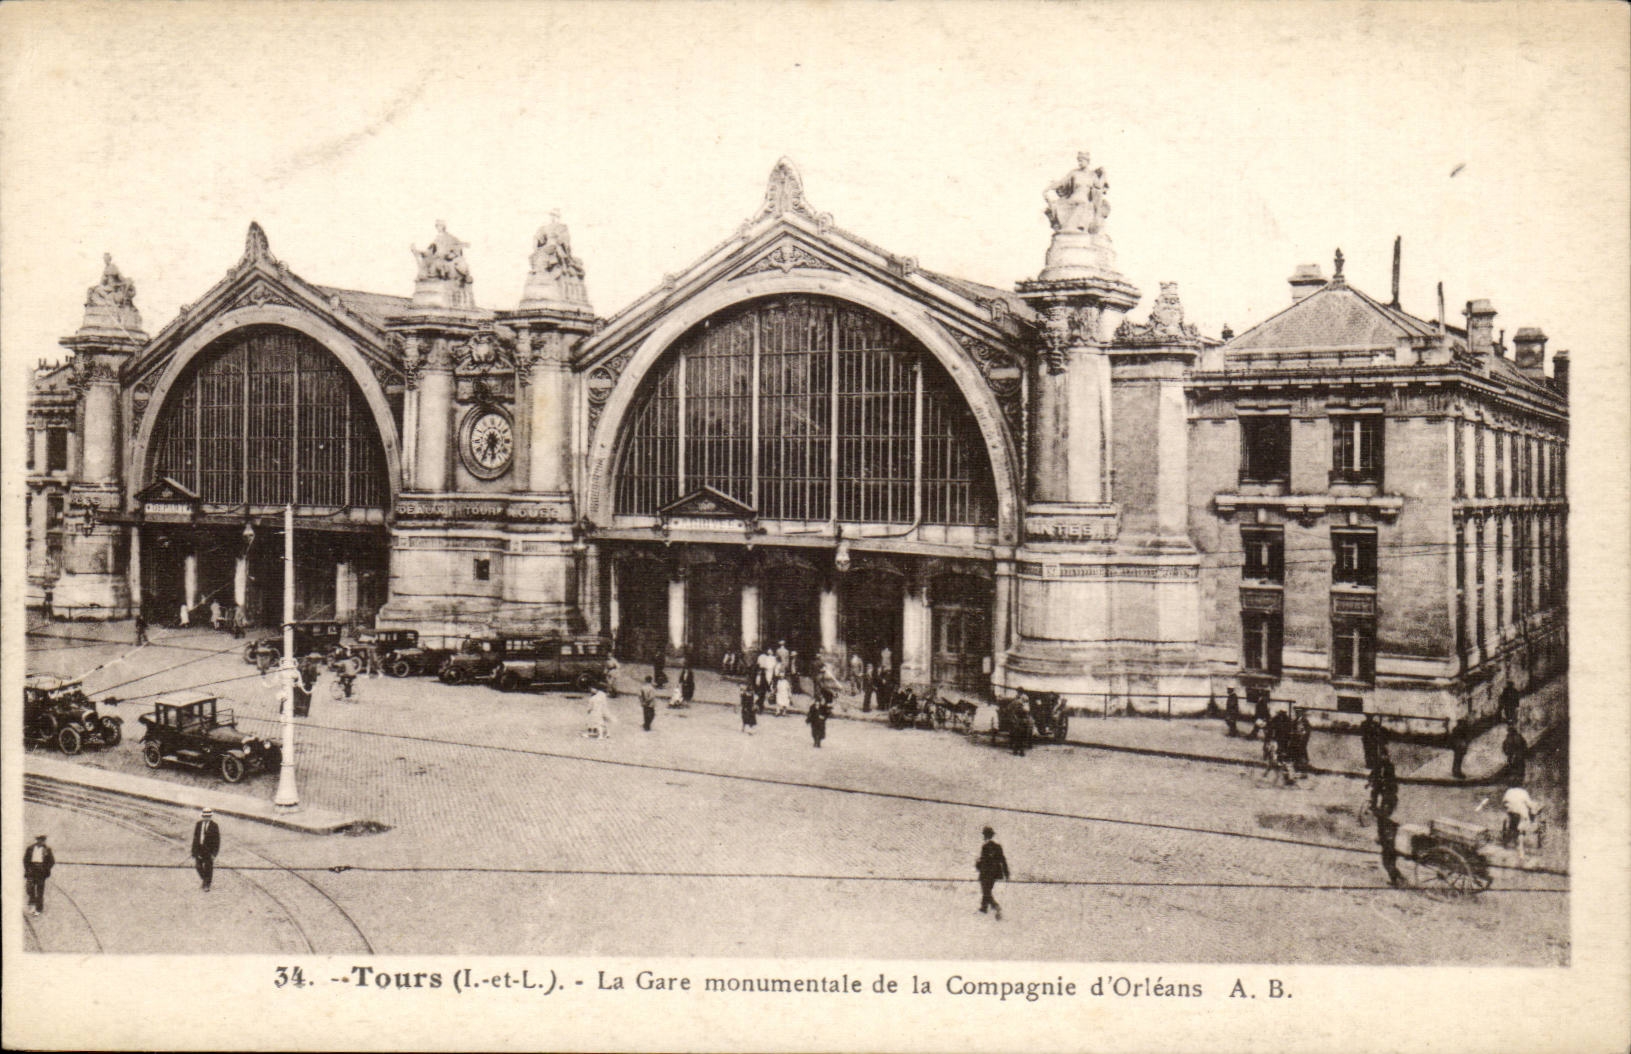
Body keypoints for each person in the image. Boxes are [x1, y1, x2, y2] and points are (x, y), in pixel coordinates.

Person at [1368, 747, 1404, 886]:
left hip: (1388, 834)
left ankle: (1396, 879)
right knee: (1388, 853)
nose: (1384, 757)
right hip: (1385, 805)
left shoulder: (1389, 768)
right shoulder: (1380, 766)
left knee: (1387, 856)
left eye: (1385, 755)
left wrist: (1377, 810)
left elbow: (1389, 785)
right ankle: (1396, 877)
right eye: (1382, 755)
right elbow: (1375, 780)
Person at [1501, 784, 1545, 864]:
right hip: (1521, 813)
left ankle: (1510, 846)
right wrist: (1536, 806)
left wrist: (1510, 806)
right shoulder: (1523, 792)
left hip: (1511, 812)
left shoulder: (1509, 791)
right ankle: (1521, 853)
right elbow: (1529, 804)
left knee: (1514, 828)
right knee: (1521, 830)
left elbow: (1503, 802)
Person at [976, 827, 1010, 920]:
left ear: (986, 835)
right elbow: (1003, 860)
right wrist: (1006, 873)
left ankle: (995, 906)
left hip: (986, 873)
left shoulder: (985, 847)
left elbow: (983, 861)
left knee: (986, 891)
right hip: (995, 873)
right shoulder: (998, 846)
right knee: (987, 890)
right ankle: (984, 907)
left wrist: (977, 865)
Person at [24, 834, 55, 916]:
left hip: (41, 871)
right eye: (39, 840)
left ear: (44, 841)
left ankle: (39, 909)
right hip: (31, 870)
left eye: (42, 840)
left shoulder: (47, 849)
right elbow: (25, 860)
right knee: (29, 888)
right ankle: (32, 904)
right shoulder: (30, 848)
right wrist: (27, 869)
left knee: (40, 891)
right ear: (36, 840)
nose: (41, 842)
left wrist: (45, 869)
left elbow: (51, 861)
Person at [191, 808, 220, 892]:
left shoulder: (214, 826)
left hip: (209, 850)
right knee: (198, 866)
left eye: (208, 816)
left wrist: (214, 854)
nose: (206, 818)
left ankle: (207, 884)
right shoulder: (198, 824)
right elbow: (195, 838)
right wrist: (194, 851)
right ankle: (205, 880)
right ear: (202, 816)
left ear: (210, 817)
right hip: (199, 849)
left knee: (208, 867)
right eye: (205, 816)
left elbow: (217, 841)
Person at [1289, 708, 1313, 774]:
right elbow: (1292, 728)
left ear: (1301, 713)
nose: (1297, 714)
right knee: (1295, 747)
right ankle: (1296, 762)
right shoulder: (1295, 721)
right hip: (1296, 737)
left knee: (1302, 748)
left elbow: (1308, 729)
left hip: (1303, 737)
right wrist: (1293, 732)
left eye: (1298, 712)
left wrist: (1304, 733)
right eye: (1296, 712)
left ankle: (1305, 762)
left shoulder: (1304, 721)